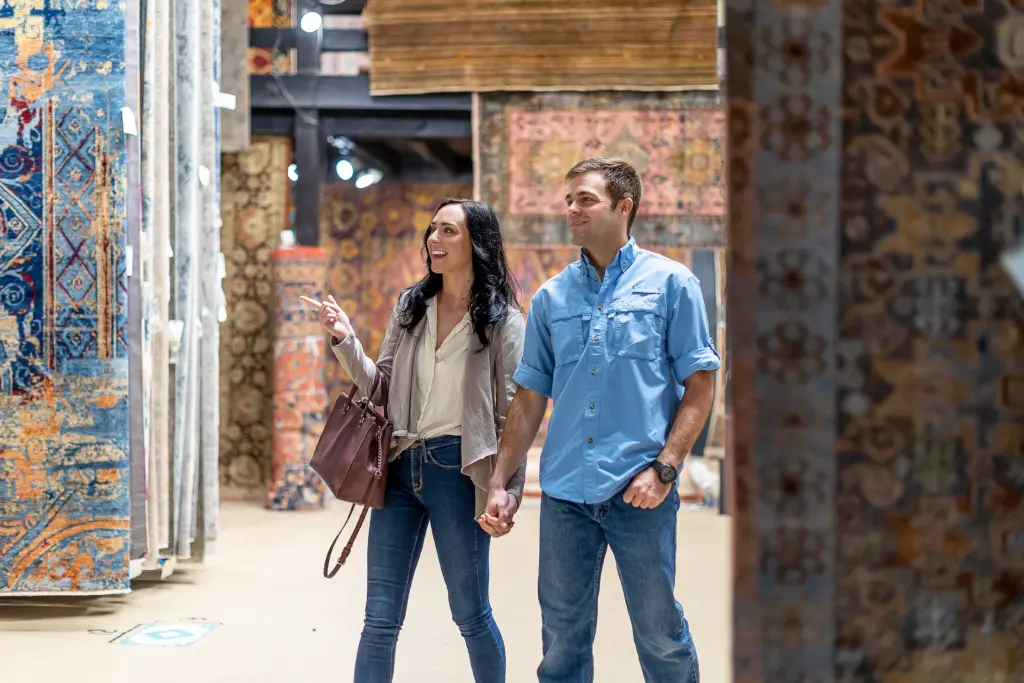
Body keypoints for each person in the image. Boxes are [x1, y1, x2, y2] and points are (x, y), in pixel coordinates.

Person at [479, 158, 720, 683]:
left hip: (641, 492)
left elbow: (700, 386)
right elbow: (528, 399)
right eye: (569, 200)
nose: (572, 209)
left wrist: (666, 468)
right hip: (566, 494)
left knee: (660, 635)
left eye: (585, 199)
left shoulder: (672, 285)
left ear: (623, 206)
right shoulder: (551, 297)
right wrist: (499, 481)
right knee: (562, 639)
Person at [305, 198, 527, 683]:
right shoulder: (412, 307)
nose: (433, 240)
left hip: (460, 469)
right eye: (431, 230)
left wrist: (505, 488)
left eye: (447, 231)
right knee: (379, 619)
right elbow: (381, 386)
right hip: (400, 465)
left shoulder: (503, 322)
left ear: (477, 243)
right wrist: (345, 341)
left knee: (470, 614)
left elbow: (516, 415)